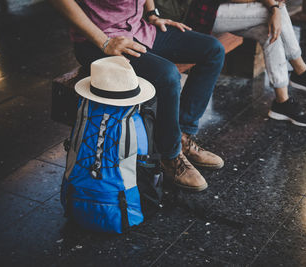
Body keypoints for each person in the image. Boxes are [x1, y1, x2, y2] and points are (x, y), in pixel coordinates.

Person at [49, 0, 226, 191]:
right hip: (98, 40)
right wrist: (104, 41)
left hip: (139, 30)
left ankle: (182, 136)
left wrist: (152, 14)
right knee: (167, 75)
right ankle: (170, 155)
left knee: (213, 49)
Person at [182, 0, 306, 127]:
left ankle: (282, 102)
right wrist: (271, 5)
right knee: (274, 12)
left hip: (229, 9)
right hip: (204, 13)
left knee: (269, 30)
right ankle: (300, 69)